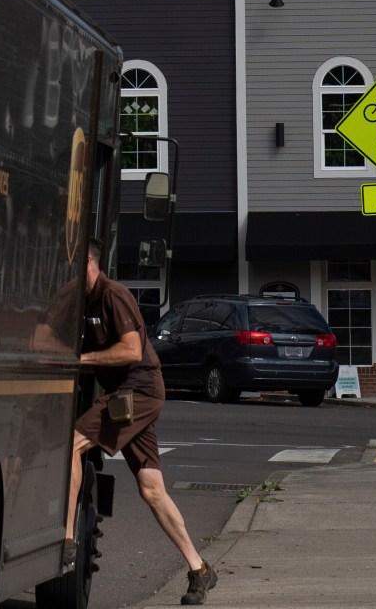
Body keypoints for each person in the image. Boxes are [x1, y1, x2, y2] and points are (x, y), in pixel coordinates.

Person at [67, 243, 215, 604]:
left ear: (89, 262)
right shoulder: (82, 302)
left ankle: (66, 542)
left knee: (71, 443)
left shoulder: (113, 295)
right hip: (126, 395)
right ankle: (200, 570)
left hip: (139, 390)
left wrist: (80, 359)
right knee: (151, 489)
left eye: (73, 263)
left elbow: (132, 350)